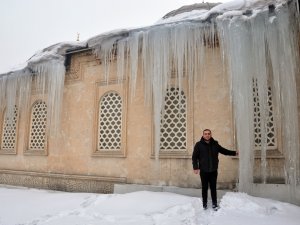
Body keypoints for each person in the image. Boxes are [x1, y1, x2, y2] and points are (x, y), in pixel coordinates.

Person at [192, 129, 238, 210]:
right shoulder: (198, 145)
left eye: (208, 134)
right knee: (204, 188)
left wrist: (234, 153)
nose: (207, 135)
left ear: (211, 134)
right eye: (205, 134)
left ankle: (214, 203)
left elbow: (224, 151)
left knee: (213, 187)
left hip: (213, 170)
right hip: (203, 170)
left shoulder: (215, 144)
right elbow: (194, 157)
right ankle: (204, 204)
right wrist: (195, 167)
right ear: (203, 135)